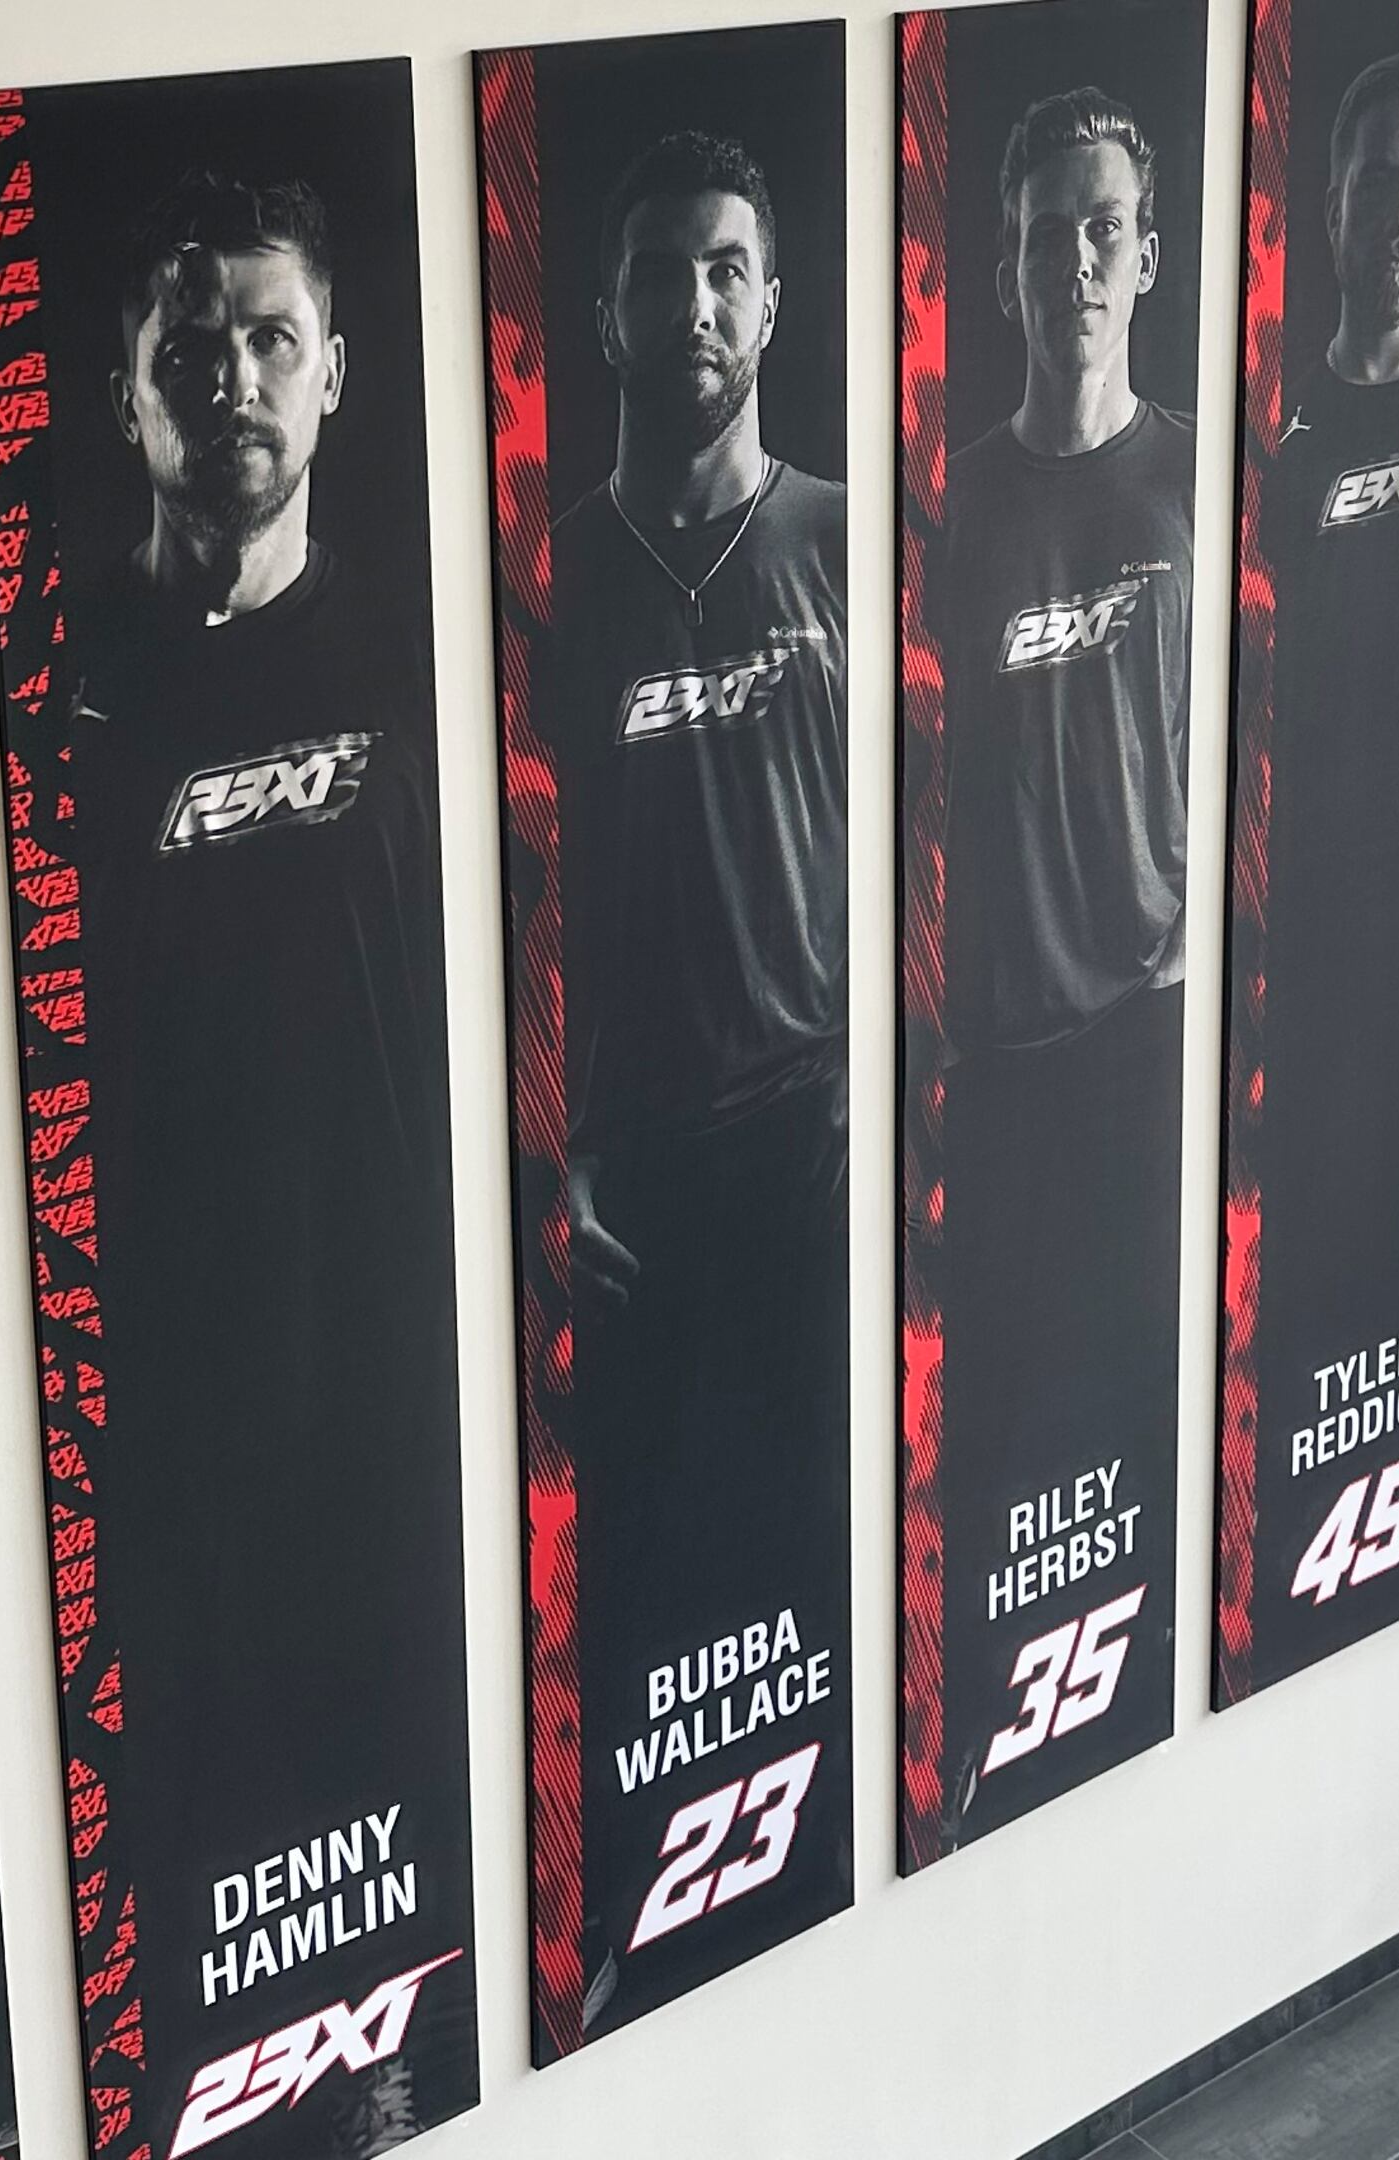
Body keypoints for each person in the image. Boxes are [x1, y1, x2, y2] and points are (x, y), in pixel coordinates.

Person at [56, 174, 464, 2137]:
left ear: (337, 377)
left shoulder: (421, 652)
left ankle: (390, 2065)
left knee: (392, 1745)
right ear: (127, 395)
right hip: (163, 1388)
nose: (234, 379)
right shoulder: (61, 697)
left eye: (270, 339)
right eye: (190, 347)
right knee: (202, 1796)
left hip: (385, 1344)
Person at [544, 128, 851, 2025]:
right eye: (664, 272)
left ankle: (827, 1897)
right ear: (608, 312)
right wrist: (552, 1147)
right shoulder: (551, 570)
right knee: (638, 1586)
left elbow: (922, 839)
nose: (697, 305)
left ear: (775, 299)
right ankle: (629, 1961)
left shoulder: (839, 532)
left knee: (822, 1551)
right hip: (627, 1179)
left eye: (729, 266)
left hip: (810, 1139)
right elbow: (516, 887)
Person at [926, 86, 1191, 1819]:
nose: (1076, 260)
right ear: (1004, 268)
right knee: (1009, 1433)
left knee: (1149, 1406)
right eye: (1045, 231)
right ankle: (994, 1758)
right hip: (1002, 1058)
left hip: (1159, 1036)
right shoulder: (948, 508)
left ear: (1148, 259)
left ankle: (1148, 1731)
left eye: (1103, 227)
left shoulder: (1198, 471)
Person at [1252, 51, 1399, 1627]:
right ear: (1327, 204)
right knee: (1315, 1248)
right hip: (1310, 939)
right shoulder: (1276, 436)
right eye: (1378, 179)